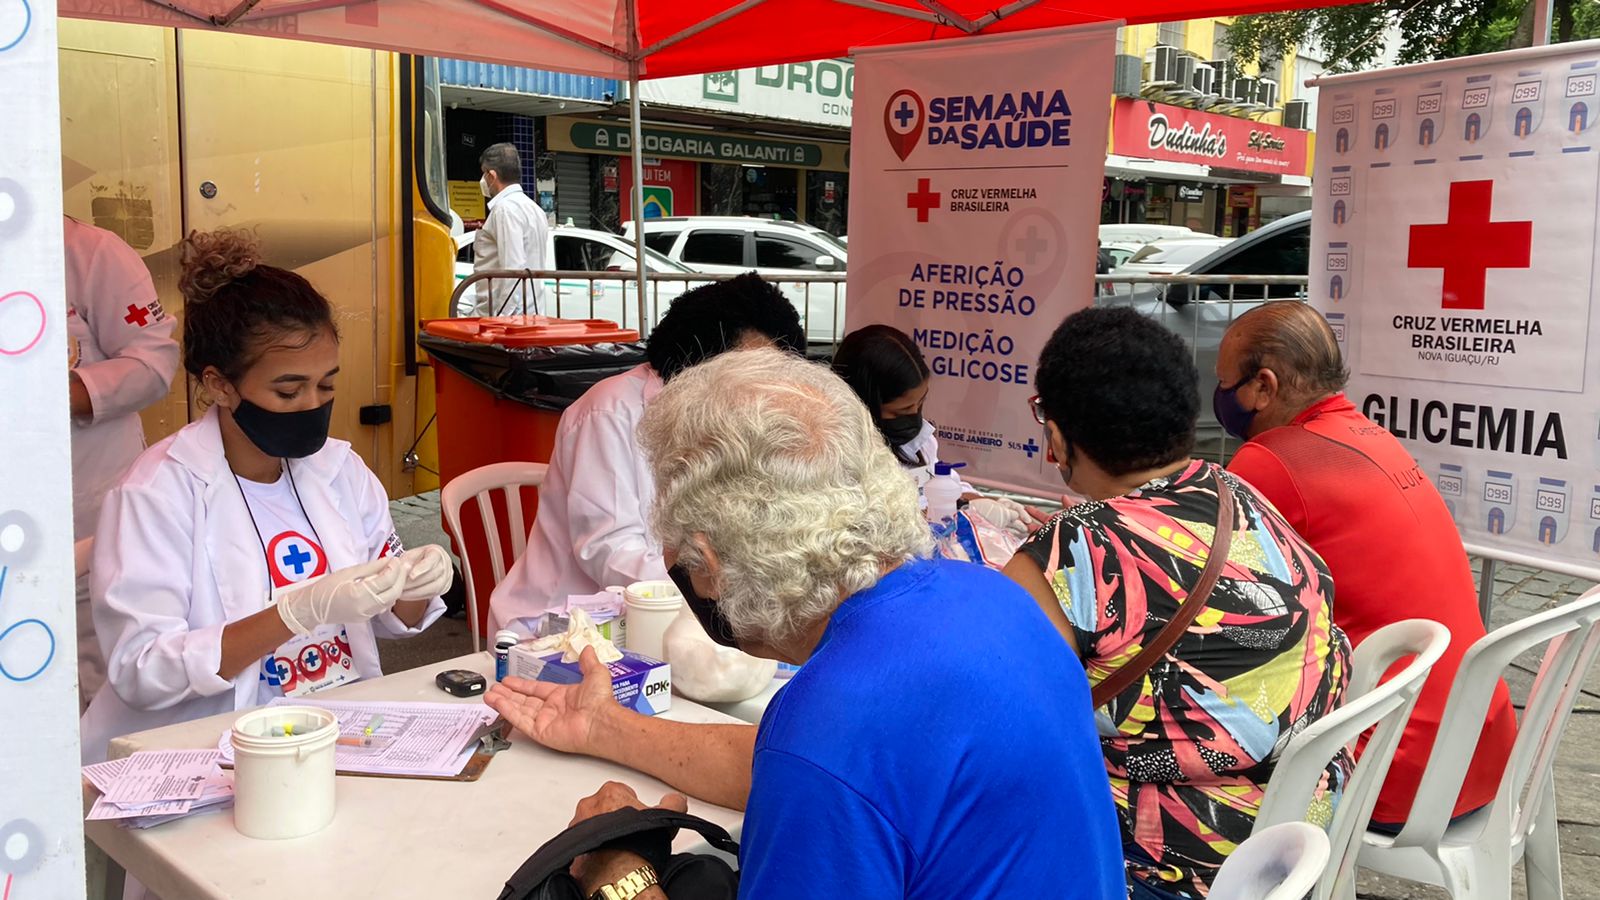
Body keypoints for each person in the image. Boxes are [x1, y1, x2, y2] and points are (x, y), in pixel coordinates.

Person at [487, 348, 1124, 899]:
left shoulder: (833, 728)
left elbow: (823, 762)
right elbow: (812, 765)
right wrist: (608, 728)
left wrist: (618, 875)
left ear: (709, 564)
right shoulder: (993, 599)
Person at [1000, 307, 1351, 900]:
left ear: (1057, 438)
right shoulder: (1239, 493)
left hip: (1170, 867)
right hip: (1297, 839)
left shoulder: (1067, 552)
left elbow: (993, 718)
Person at [81, 230, 450, 765]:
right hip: (200, 749)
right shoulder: (156, 493)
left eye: (327, 385)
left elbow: (390, 619)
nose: (313, 404)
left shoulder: (340, 471)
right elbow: (143, 670)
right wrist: (293, 614)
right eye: (288, 390)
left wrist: (413, 582)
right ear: (220, 385)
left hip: (332, 730)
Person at [1215, 300, 1516, 830]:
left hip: (1390, 767)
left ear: (1263, 387)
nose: (1219, 397)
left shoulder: (1270, 460)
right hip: (1480, 749)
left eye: (1225, 384)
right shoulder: (1370, 436)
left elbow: (1208, 599)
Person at [488, 273, 805, 632]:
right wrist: (719, 587)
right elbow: (607, 549)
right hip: (564, 625)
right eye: (750, 372)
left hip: (674, 617)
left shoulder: (734, 419)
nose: (761, 389)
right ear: (701, 358)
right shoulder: (611, 412)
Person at [64, 215, 180, 710]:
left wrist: (40, 395)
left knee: (91, 677)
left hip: (85, 506)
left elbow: (152, 365)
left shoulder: (91, 253)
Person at [461, 142, 550, 317]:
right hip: (531, 312)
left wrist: (503, 317)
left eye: (484, 174)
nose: (483, 180)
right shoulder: (534, 209)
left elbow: (513, 268)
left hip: (509, 318)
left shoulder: (505, 210)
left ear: (491, 175)